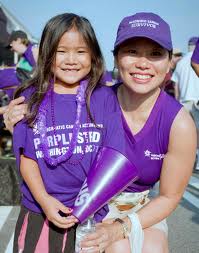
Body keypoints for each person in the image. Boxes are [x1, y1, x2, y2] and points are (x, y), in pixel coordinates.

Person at [4, 12, 196, 253]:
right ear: (115, 58)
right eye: (132, 51)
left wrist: (121, 227)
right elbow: (34, 140)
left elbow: (169, 197)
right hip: (83, 207)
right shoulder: (99, 95)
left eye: (156, 54)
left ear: (170, 62)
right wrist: (17, 124)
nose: (143, 63)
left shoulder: (178, 123)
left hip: (135, 209)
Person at [10, 13, 126, 253]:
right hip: (39, 211)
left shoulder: (105, 98)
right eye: (61, 51)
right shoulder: (30, 98)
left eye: (81, 52)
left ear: (93, 55)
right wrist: (43, 199)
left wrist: (91, 206)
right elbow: (27, 159)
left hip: (93, 214)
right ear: (46, 54)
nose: (71, 60)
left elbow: (112, 157)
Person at [171, 36, 199, 172]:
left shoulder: (181, 63)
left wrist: (177, 102)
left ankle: (186, 163)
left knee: (185, 136)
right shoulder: (195, 61)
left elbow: (175, 85)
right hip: (197, 100)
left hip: (183, 101)